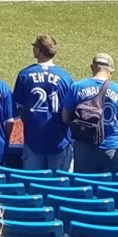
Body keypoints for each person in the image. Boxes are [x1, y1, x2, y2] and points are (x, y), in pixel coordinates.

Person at [67, 53, 118, 175]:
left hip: (83, 146)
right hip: (111, 147)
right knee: (114, 187)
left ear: (92, 67)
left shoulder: (77, 87)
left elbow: (65, 117)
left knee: (84, 186)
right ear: (111, 71)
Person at [13, 34, 74, 172]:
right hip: (60, 140)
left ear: (39, 50)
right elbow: (69, 110)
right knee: (61, 186)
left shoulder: (24, 75)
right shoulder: (65, 77)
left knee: (33, 184)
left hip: (33, 138)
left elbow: (20, 109)